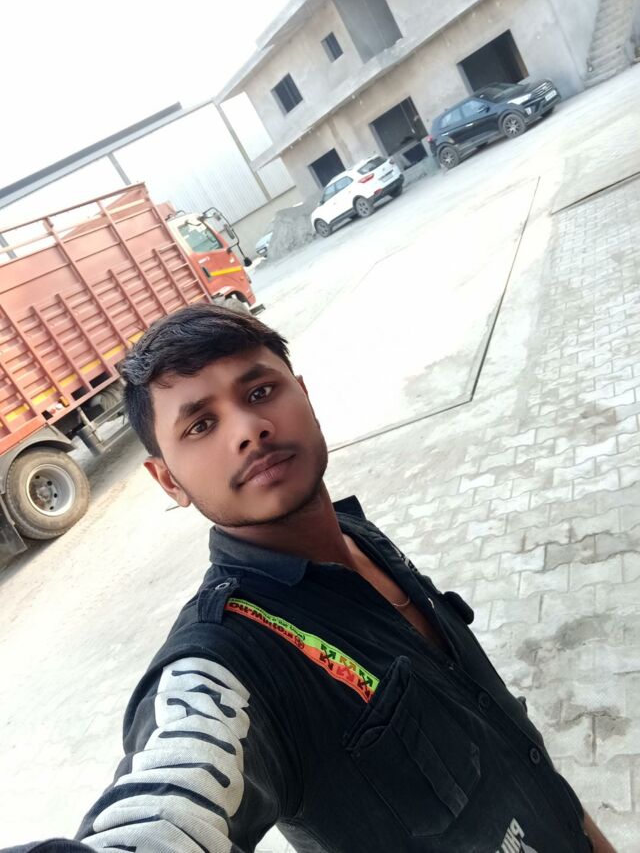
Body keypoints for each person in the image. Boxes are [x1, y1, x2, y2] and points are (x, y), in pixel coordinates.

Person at [4, 304, 615, 853]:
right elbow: (172, 798)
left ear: (304, 395)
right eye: (200, 425)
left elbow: (513, 747)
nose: (248, 429)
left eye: (260, 391)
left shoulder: (356, 535)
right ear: (168, 481)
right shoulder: (227, 662)